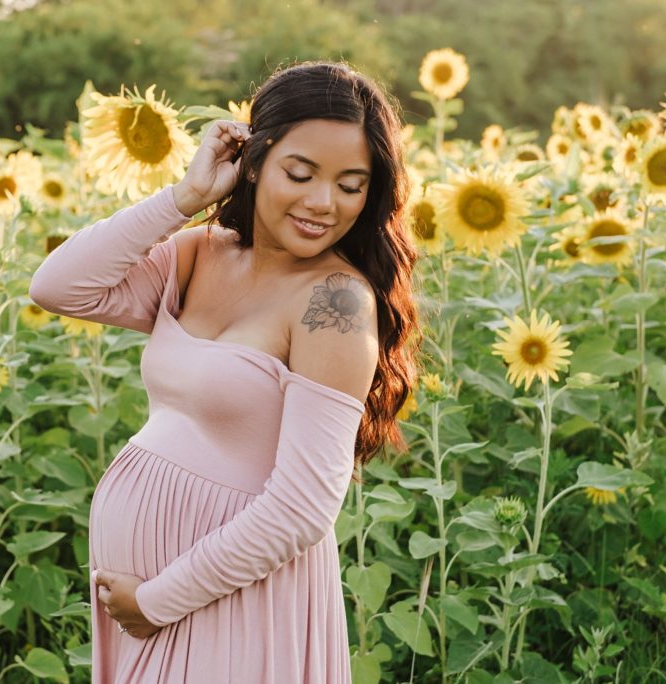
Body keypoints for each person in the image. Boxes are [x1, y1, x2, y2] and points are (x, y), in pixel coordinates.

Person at [28, 60, 419, 683]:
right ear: (256, 160)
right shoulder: (199, 254)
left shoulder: (335, 304)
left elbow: (302, 510)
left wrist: (157, 602)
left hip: (230, 602)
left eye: (351, 184)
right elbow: (58, 287)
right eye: (300, 173)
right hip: (153, 608)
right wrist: (184, 199)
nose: (324, 203)